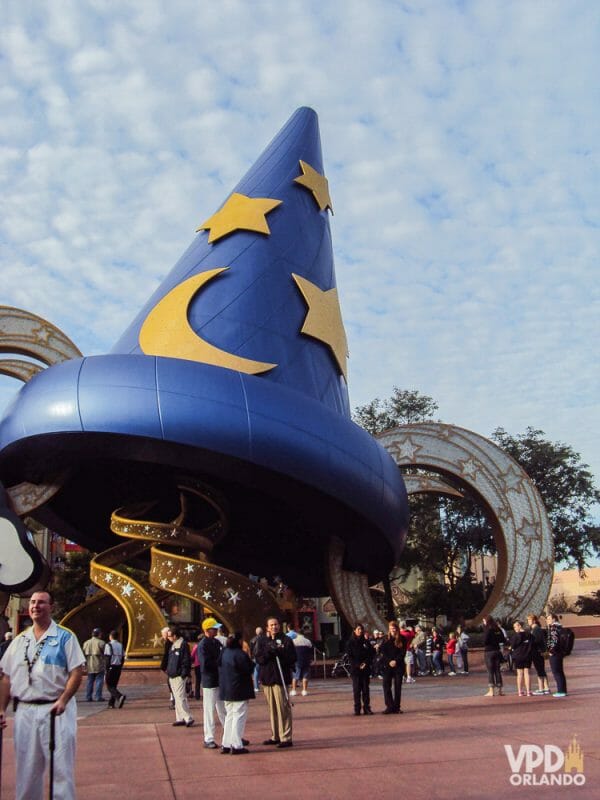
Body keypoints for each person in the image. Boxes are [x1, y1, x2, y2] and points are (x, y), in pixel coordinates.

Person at [0, 591, 85, 800]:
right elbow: (6, 678)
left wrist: (64, 699)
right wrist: (1, 708)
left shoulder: (65, 636)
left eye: (42, 603)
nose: (36, 606)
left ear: (51, 607)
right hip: (25, 711)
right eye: (33, 602)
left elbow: (76, 671)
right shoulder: (20, 640)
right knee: (26, 769)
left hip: (55, 710)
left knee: (60, 768)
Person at [254, 616, 296, 747]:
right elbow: (259, 658)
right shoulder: (262, 641)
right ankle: (275, 735)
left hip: (280, 678)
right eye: (271, 625)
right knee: (272, 709)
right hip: (267, 679)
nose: (274, 627)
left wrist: (279, 652)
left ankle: (286, 737)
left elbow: (292, 657)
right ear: (267, 627)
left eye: (276, 624)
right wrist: (269, 651)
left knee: (283, 708)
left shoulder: (286, 640)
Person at [218, 632, 255, 754]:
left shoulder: (224, 652)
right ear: (239, 641)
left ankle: (226, 743)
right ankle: (236, 744)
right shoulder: (240, 654)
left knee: (230, 716)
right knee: (239, 716)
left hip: (226, 688)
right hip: (239, 688)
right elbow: (248, 668)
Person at [198, 617, 225, 747]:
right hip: (210, 680)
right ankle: (208, 737)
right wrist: (219, 664)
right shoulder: (204, 645)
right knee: (209, 709)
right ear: (208, 630)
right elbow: (205, 664)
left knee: (223, 708)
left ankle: (230, 733)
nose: (217, 630)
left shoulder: (216, 642)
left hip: (218, 679)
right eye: (215, 628)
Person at [165, 624, 194, 726]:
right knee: (177, 698)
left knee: (180, 697)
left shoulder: (182, 645)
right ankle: (180, 717)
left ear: (175, 636)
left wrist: (183, 674)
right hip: (172, 674)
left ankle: (188, 717)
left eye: (169, 636)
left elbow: (186, 660)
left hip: (178, 675)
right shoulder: (173, 645)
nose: (168, 638)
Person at [346, 623, 373, 715]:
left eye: (361, 629)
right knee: (357, 689)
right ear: (354, 630)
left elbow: (371, 654)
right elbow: (350, 656)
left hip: (365, 668)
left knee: (366, 689)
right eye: (358, 629)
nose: (360, 631)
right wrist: (358, 665)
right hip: (356, 669)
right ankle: (357, 708)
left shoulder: (366, 641)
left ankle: (367, 708)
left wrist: (365, 663)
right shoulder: (350, 642)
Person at [380, 620, 406, 714]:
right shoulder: (385, 639)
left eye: (394, 628)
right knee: (386, 685)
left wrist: (396, 661)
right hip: (388, 665)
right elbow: (383, 652)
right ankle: (389, 706)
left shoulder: (402, 639)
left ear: (397, 629)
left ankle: (396, 706)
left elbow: (403, 652)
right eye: (391, 628)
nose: (392, 630)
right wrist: (389, 661)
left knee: (398, 686)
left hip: (398, 665)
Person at [482, 616, 506, 696]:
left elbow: (485, 641)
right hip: (497, 651)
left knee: (490, 671)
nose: (483, 623)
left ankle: (491, 691)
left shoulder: (488, 629)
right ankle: (500, 690)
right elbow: (503, 639)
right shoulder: (497, 629)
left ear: (487, 621)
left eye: (484, 621)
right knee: (497, 670)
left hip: (489, 651)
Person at [527, 614, 550, 695]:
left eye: (529, 620)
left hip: (537, 652)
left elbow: (536, 641)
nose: (528, 622)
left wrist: (529, 641)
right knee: (541, 669)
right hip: (538, 651)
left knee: (539, 669)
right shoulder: (535, 629)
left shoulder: (536, 629)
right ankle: (546, 687)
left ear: (534, 620)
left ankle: (541, 688)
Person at [509, 620, 533, 696]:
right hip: (527, 655)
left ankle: (520, 691)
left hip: (518, 656)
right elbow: (532, 644)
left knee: (519, 674)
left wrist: (511, 648)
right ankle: (528, 691)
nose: (514, 628)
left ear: (520, 626)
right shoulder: (529, 635)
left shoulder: (516, 636)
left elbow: (512, 646)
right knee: (527, 673)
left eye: (515, 626)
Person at [546, 613, 568, 697]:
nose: (547, 621)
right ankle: (563, 690)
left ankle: (561, 691)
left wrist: (551, 651)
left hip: (555, 653)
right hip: (560, 652)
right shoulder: (560, 628)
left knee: (556, 672)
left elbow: (554, 641)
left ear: (554, 619)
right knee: (560, 671)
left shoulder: (554, 629)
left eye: (548, 619)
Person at [82, 627, 106, 702]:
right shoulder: (101, 643)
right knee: (99, 680)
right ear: (99, 634)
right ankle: (98, 696)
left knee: (90, 681)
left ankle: (88, 696)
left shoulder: (86, 643)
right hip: (99, 664)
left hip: (89, 664)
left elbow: (83, 653)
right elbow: (105, 653)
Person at [104, 629, 126, 708]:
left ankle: (119, 696)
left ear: (110, 637)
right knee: (114, 685)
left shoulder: (108, 645)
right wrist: (120, 666)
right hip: (118, 667)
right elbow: (123, 657)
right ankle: (111, 703)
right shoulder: (121, 645)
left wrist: (106, 668)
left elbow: (107, 657)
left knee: (109, 685)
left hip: (111, 666)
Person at [291, 630, 312, 696]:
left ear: (297, 634)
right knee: (305, 676)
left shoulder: (294, 641)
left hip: (297, 661)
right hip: (306, 661)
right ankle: (304, 691)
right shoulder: (307, 641)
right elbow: (310, 648)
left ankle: (294, 690)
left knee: (295, 676)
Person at [249, 626, 263, 692]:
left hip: (255, 657)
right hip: (262, 657)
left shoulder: (252, 639)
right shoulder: (264, 639)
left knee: (256, 671)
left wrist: (251, 656)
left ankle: (256, 686)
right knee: (262, 670)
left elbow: (251, 649)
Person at [190, 633, 203, 701]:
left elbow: (192, 655)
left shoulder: (196, 646)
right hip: (202, 664)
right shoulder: (204, 645)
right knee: (202, 680)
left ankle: (197, 695)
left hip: (197, 664)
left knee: (198, 680)